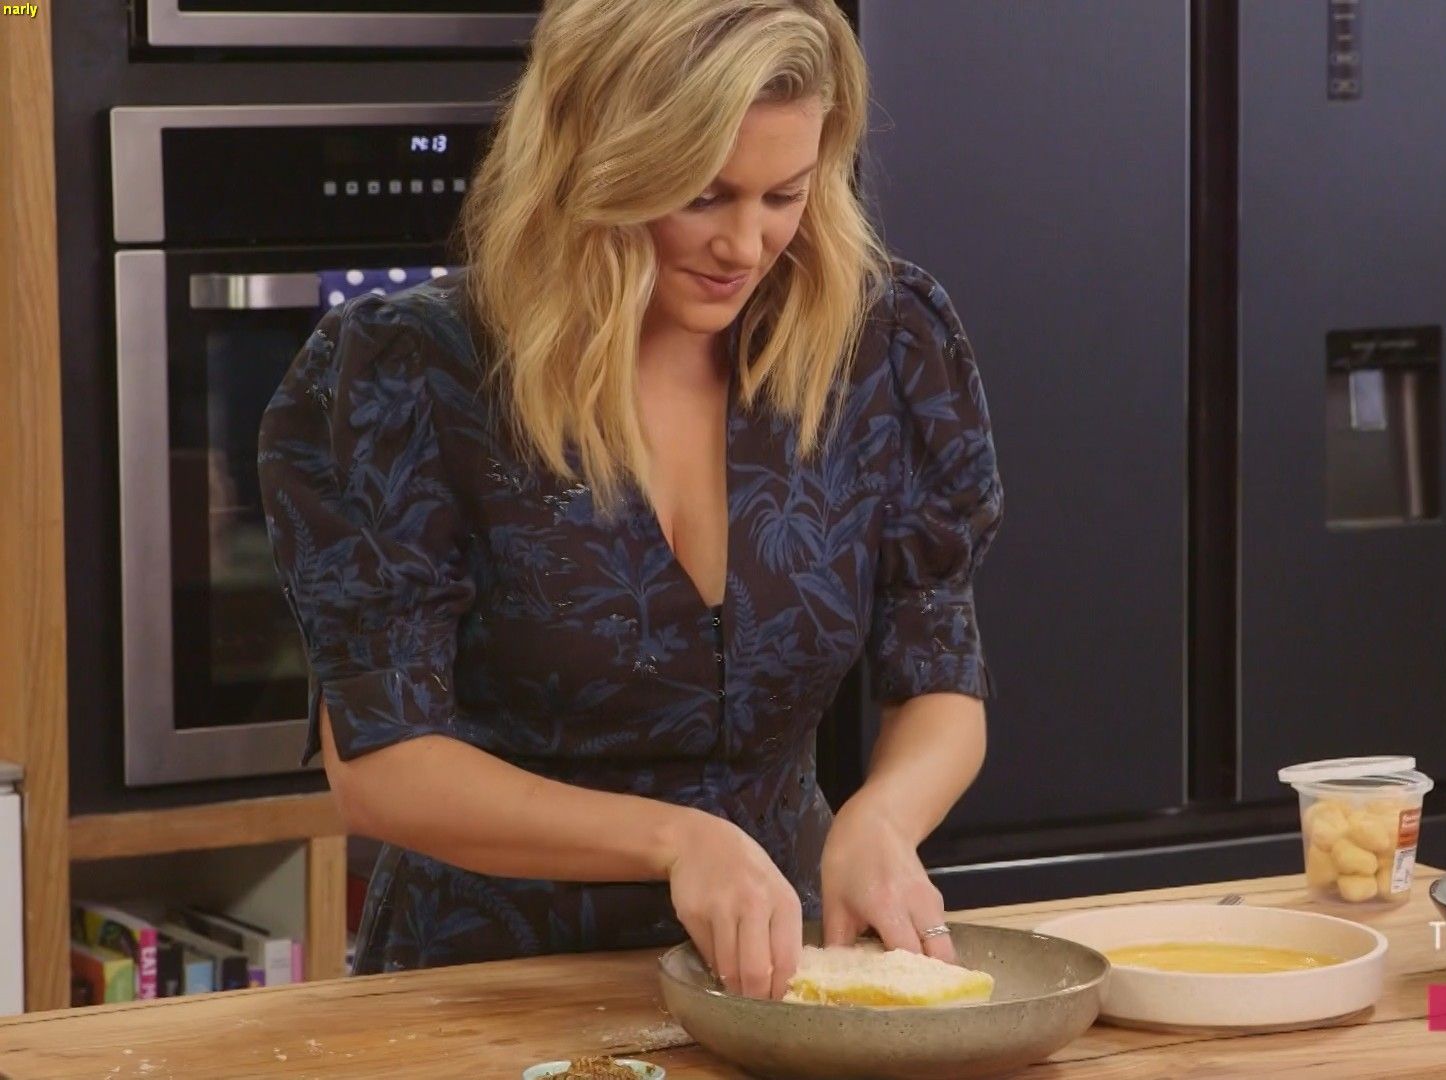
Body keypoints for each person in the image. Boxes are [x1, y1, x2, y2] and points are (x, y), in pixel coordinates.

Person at [257, 0, 1002, 1001]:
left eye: (784, 194)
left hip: (776, 979)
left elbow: (940, 675)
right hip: (489, 983)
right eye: (702, 195)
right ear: (592, 164)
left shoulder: (880, 346)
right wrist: (675, 841)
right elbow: (382, 768)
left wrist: (884, 818)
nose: (746, 245)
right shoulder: (408, 375)